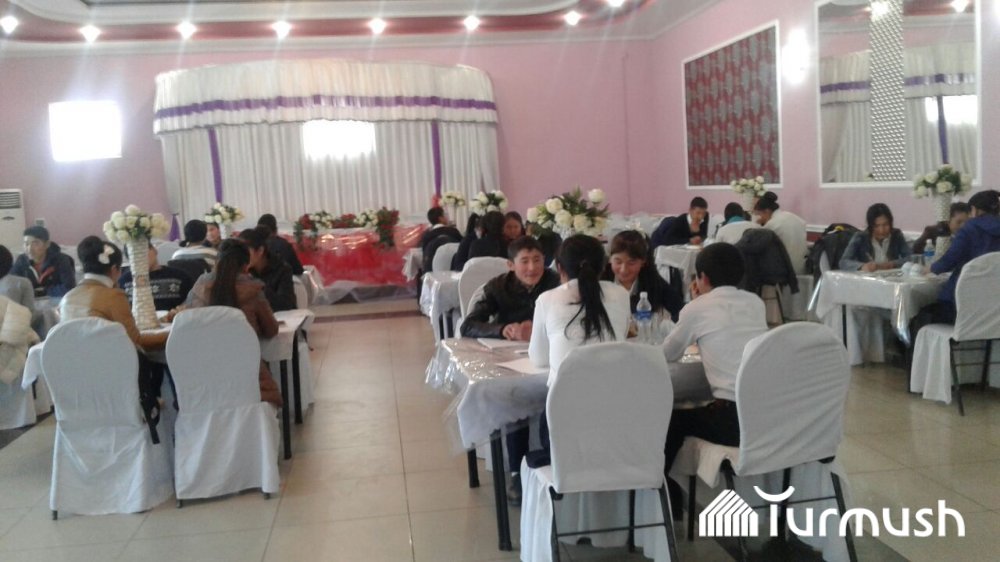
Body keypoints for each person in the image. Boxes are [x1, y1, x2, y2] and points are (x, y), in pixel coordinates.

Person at [660, 242, 767, 514]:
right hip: (769, 416)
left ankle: (668, 504)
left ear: (702, 277)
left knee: (669, 422)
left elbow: (668, 354)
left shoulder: (698, 308)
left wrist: (694, 303)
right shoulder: (755, 303)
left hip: (735, 422)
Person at [522, 235, 630, 499]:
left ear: (559, 267)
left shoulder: (547, 300)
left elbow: (538, 358)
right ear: (603, 266)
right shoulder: (621, 294)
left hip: (564, 432)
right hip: (617, 425)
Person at [460, 236, 560, 504]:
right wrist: (502, 329)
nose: (532, 268)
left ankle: (555, 464)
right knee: (514, 398)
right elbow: (468, 325)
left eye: (537, 260)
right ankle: (517, 471)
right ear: (511, 265)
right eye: (524, 261)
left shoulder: (557, 283)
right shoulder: (497, 287)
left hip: (551, 356)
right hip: (511, 358)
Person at [60, 236, 168, 442]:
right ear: (115, 269)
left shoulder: (68, 298)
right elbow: (135, 341)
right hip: (113, 385)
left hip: (79, 387)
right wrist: (173, 333)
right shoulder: (113, 296)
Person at [180, 239, 283, 407]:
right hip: (249, 380)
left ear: (216, 262)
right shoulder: (253, 290)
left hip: (204, 380)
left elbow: (188, 324)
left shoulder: (200, 289)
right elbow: (271, 330)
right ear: (246, 266)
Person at [926, 190, 1000, 324]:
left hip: (963, 303)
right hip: (993, 308)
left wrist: (930, 268)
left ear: (974, 210)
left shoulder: (970, 229)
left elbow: (949, 261)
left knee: (924, 312)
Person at [601, 230, 683, 322]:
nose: (623, 269)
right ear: (610, 259)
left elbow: (680, 311)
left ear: (643, 262)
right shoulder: (601, 280)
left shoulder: (653, 282)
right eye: (618, 262)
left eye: (631, 263)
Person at [118, 242, 194, 311]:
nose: (141, 258)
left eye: (143, 253)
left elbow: (193, 302)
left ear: (154, 250)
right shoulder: (124, 281)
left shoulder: (179, 276)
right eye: (135, 256)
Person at [840, 203, 912, 272]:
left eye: (885, 225)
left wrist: (892, 264)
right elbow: (843, 262)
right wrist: (862, 266)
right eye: (876, 226)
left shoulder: (896, 235)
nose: (882, 230)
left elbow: (910, 258)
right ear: (870, 226)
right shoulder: (860, 237)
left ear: (891, 223)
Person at [239, 226, 296, 312]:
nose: (241, 257)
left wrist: (258, 286)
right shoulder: (241, 270)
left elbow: (286, 305)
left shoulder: (282, 269)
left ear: (260, 251)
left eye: (245, 252)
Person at [11, 226, 76, 298]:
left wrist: (45, 291)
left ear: (47, 244)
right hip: (31, 300)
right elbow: (12, 284)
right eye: (26, 244)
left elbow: (69, 288)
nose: (29, 249)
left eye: (35, 244)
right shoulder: (21, 260)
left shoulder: (61, 260)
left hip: (56, 300)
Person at [754, 192, 808, 274]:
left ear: (767, 211)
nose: (760, 218)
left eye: (760, 214)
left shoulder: (772, 224)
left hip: (785, 270)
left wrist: (757, 225)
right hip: (802, 267)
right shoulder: (793, 217)